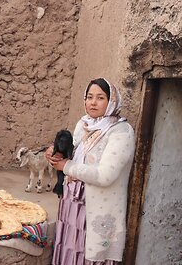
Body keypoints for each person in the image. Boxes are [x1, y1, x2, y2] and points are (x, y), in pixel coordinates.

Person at [45, 78, 135, 264]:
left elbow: (105, 176)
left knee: (88, 255)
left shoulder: (121, 132)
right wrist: (56, 154)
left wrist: (67, 166)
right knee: (70, 249)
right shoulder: (84, 124)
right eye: (89, 97)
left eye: (100, 97)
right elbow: (75, 153)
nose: (93, 102)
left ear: (111, 102)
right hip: (72, 204)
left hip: (94, 209)